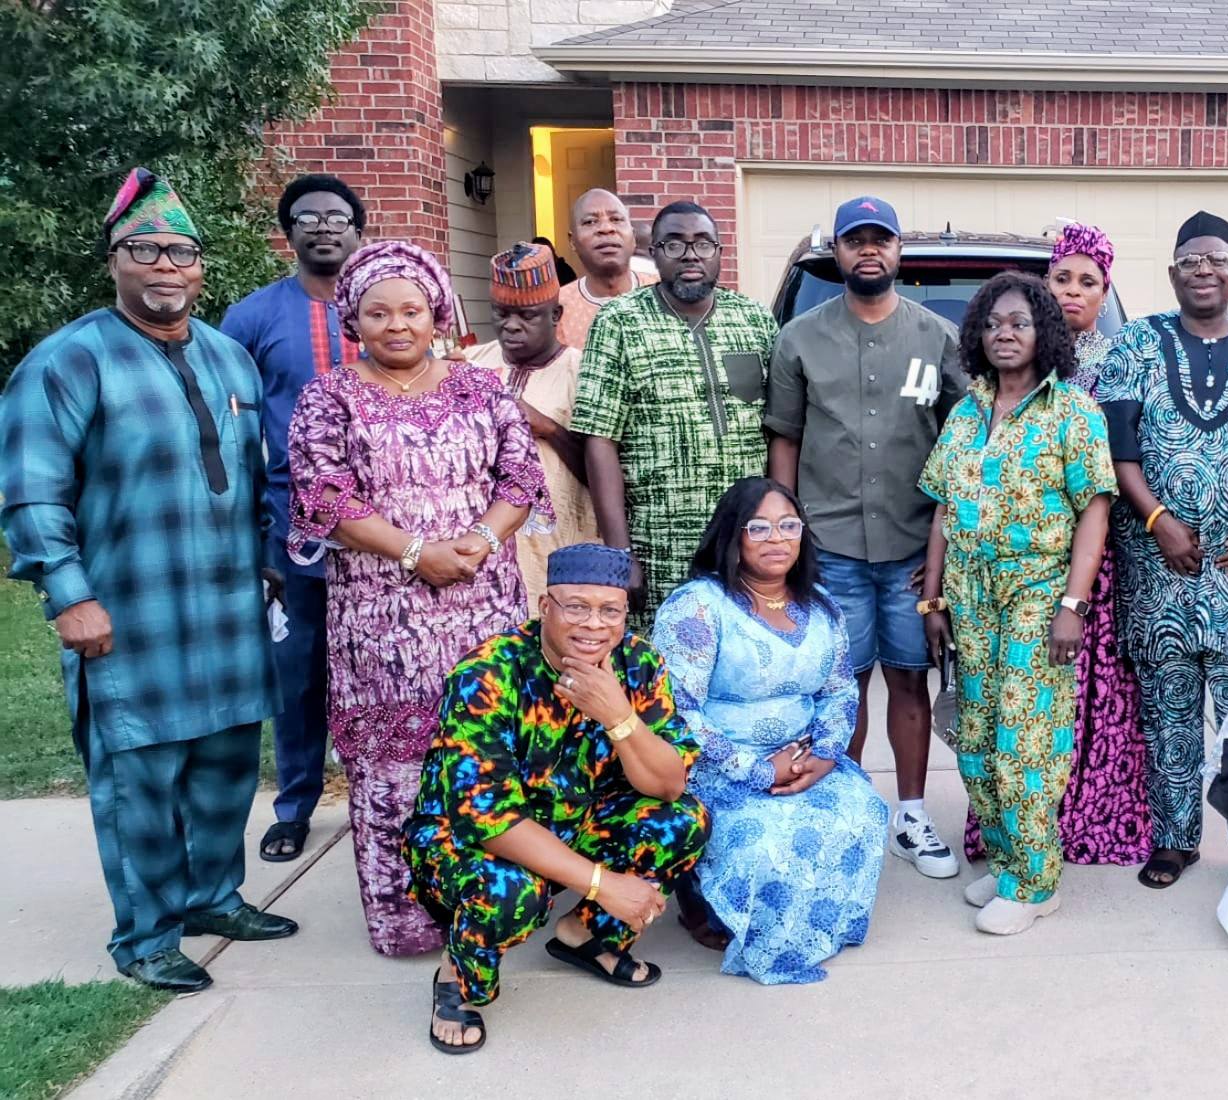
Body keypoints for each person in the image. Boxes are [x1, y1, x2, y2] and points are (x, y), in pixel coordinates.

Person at [0, 168, 297, 993]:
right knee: (140, 777)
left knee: (227, 768)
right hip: (129, 614)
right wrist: (70, 594)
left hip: (228, 611)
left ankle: (213, 898)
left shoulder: (231, 359)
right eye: (146, 250)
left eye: (182, 251)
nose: (167, 265)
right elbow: (30, 491)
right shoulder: (67, 361)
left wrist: (267, 561)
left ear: (201, 266)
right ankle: (146, 936)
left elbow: (255, 478)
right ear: (114, 261)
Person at [287, 240, 552, 957]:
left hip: (482, 599)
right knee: (394, 766)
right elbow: (324, 497)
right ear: (354, 319)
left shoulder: (482, 389)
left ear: (436, 313)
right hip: (381, 615)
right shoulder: (328, 398)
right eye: (379, 313)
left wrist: (483, 540)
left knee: (483, 749)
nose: (397, 324)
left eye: (411, 310)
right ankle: (407, 916)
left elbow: (520, 479)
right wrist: (413, 553)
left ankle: (493, 905)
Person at [405, 544, 709, 1053]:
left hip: (577, 816)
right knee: (510, 891)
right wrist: (602, 883)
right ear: (545, 606)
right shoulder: (488, 673)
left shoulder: (638, 662)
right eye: (577, 607)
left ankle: (584, 937)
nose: (594, 624)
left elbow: (668, 785)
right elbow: (492, 820)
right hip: (469, 838)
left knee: (683, 821)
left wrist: (617, 716)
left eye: (610, 610)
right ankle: (457, 975)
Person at [1093, 210, 1228, 888]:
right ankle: (1174, 839)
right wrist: (1157, 519)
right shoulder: (1134, 344)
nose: (1203, 270)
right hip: (1159, 569)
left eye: (1216, 260)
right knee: (1168, 713)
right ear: (1172, 272)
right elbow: (1116, 449)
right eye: (1190, 261)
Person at [765, 195, 967, 879]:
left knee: (909, 681)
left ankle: (911, 816)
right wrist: (790, 536)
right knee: (840, 690)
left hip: (912, 551)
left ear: (899, 251)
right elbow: (785, 440)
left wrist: (942, 552)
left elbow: (962, 449)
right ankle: (843, 814)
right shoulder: (799, 339)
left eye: (882, 239)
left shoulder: (938, 338)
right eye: (856, 240)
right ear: (839, 253)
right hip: (830, 547)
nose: (869, 250)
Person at [918, 272, 1116, 934]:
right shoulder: (966, 411)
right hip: (968, 594)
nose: (1004, 333)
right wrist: (932, 597)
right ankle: (1005, 862)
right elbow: (943, 507)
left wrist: (1072, 604)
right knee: (974, 736)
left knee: (1024, 740)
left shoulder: (1072, 412)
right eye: (993, 323)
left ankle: (1035, 883)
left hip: (1037, 591)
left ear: (1043, 333)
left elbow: (1094, 510)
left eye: (1019, 323)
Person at [650, 478, 889, 982]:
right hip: (716, 764)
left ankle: (816, 926)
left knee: (864, 810)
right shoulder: (698, 606)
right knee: (764, 839)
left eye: (788, 526)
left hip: (804, 758)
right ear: (731, 534)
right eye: (758, 527)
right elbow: (677, 709)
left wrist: (825, 755)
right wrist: (756, 769)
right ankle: (706, 906)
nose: (776, 538)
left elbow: (840, 689)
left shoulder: (820, 604)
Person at [962, 224, 1149, 867]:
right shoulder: (1006, 373)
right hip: (1009, 566)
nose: (1073, 291)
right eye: (1062, 278)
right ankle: (1014, 834)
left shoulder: (1121, 359)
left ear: (1105, 292)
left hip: (1092, 554)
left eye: (1087, 282)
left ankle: (1077, 823)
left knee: (1084, 692)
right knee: (1013, 705)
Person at [221, 173, 367, 863]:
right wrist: (255, 535)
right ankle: (295, 805)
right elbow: (229, 432)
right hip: (292, 526)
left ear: (358, 231)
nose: (324, 227)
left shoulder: (389, 308)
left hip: (385, 528)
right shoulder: (252, 318)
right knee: (298, 671)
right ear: (288, 233)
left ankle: (384, 801)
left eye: (337, 217)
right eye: (308, 217)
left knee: (382, 669)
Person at [572, 200, 777, 627]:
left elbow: (780, 430)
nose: (690, 255)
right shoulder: (619, 322)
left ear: (719, 252)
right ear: (654, 253)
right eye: (674, 244)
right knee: (665, 656)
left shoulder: (755, 320)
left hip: (746, 538)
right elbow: (599, 438)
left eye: (702, 244)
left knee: (748, 648)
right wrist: (620, 551)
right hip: (658, 542)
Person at [464, 242, 598, 600]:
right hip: (480, 561)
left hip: (560, 554)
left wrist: (548, 428)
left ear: (556, 315)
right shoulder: (468, 366)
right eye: (501, 313)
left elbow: (606, 474)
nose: (511, 326)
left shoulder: (585, 372)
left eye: (527, 315)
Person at [555, 190, 641, 350]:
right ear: (572, 241)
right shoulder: (555, 310)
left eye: (616, 219)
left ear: (633, 237)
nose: (606, 228)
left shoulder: (666, 296)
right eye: (590, 222)